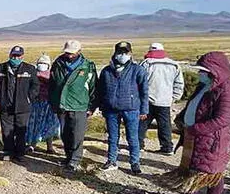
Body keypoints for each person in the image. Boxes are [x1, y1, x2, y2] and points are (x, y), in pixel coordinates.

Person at [164, 52, 230, 194]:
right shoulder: (206, 85)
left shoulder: (228, 89)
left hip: (213, 140)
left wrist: (196, 129)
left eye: (203, 70)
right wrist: (182, 117)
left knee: (212, 172)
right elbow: (194, 103)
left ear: (214, 70)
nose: (200, 74)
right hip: (196, 135)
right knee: (195, 168)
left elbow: (223, 119)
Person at [97, 41, 149, 174]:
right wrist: (102, 106)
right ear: (115, 53)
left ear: (130, 53)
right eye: (119, 52)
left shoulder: (138, 70)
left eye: (125, 52)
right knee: (112, 137)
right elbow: (101, 90)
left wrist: (144, 110)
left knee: (132, 137)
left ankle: (134, 162)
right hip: (111, 110)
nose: (122, 55)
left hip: (131, 109)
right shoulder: (106, 71)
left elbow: (144, 92)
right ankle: (111, 160)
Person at [49, 40, 98, 173]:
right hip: (61, 105)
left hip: (79, 105)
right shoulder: (58, 64)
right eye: (67, 53)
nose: (69, 56)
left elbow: (94, 88)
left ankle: (75, 160)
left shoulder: (88, 66)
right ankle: (68, 157)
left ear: (79, 52)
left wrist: (92, 106)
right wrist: (53, 102)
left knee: (77, 134)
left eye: (72, 53)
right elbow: (52, 85)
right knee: (64, 134)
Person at [138, 43, 184, 155]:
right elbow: (179, 83)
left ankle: (138, 145)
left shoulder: (146, 63)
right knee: (165, 124)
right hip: (165, 100)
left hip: (147, 100)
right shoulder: (174, 64)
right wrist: (173, 98)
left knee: (142, 124)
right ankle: (167, 147)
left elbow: (139, 82)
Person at [0, 46, 39, 161]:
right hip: (6, 105)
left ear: (22, 56)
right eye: (14, 55)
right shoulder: (0, 68)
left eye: (18, 56)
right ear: (10, 55)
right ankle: (8, 152)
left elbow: (35, 85)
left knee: (21, 130)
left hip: (23, 106)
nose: (15, 58)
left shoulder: (29, 69)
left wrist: (29, 97)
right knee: (6, 130)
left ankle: (20, 153)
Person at [27, 54, 60, 154]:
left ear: (49, 65)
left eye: (44, 63)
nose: (42, 65)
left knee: (49, 124)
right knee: (34, 124)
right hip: (35, 104)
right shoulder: (33, 74)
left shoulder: (53, 75)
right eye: (40, 63)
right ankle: (32, 145)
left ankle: (49, 146)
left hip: (48, 104)